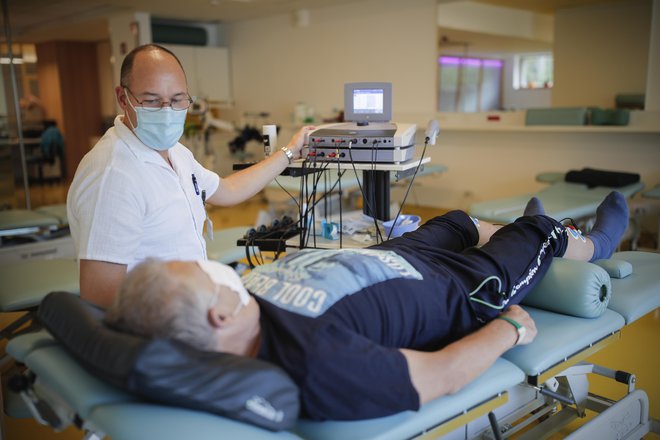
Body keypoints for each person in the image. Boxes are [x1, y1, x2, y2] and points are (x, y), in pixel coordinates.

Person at [106, 191, 629, 421]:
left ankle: (525, 235)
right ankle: (589, 243)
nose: (222, 273)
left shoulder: (243, 306)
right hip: (461, 289)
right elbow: (440, 376)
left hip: (401, 256)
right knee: (538, 231)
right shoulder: (313, 363)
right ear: (219, 318)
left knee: (458, 221)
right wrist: (509, 330)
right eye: (210, 277)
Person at [67, 44, 314, 308]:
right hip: (160, 322)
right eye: (151, 100)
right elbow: (99, 298)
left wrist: (289, 152)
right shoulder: (113, 175)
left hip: (192, 302)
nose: (166, 111)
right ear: (123, 98)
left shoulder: (175, 152)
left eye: (177, 100)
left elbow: (228, 190)